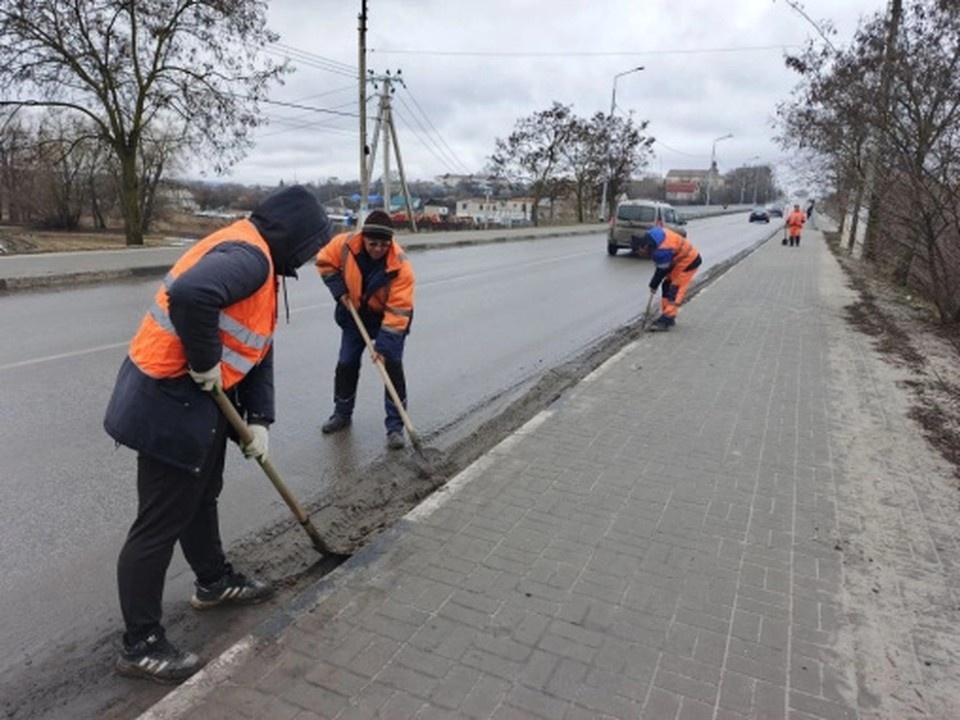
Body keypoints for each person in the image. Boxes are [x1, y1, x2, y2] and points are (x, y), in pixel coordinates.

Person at [103, 185, 333, 684]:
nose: (314, 254)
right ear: (294, 233)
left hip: (197, 400)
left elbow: (258, 345)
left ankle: (213, 582)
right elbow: (191, 296)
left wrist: (260, 421)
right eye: (313, 243)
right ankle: (139, 644)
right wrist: (206, 362)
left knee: (202, 495)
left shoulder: (263, 263)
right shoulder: (249, 256)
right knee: (159, 523)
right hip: (167, 399)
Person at [316, 210, 415, 450]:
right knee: (346, 363)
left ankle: (395, 427)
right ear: (364, 238)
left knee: (391, 367)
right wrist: (339, 291)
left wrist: (383, 346)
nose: (379, 249)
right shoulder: (345, 244)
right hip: (354, 314)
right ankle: (342, 413)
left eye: (384, 244)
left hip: (388, 319)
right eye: (373, 244)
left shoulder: (400, 265)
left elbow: (399, 310)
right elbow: (325, 262)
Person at [641, 226, 703, 332]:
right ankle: (666, 314)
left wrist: (654, 285)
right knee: (667, 284)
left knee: (675, 289)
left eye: (641, 252)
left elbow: (661, 271)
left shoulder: (662, 250)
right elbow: (663, 267)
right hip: (680, 261)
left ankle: (667, 318)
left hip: (690, 261)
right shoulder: (654, 236)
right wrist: (654, 284)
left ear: (645, 247)